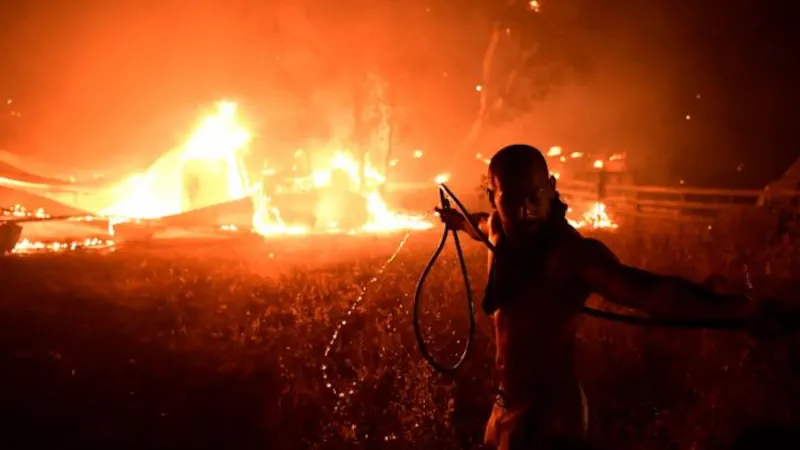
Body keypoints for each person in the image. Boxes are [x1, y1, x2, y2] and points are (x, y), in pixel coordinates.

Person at [436, 144, 785, 450]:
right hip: (504, 406)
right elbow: (479, 224)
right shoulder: (499, 231)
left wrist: (742, 310)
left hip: (552, 415)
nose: (526, 211)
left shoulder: (573, 256)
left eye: (534, 197)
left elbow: (650, 293)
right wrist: (457, 221)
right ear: (494, 198)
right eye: (513, 200)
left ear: (551, 189)